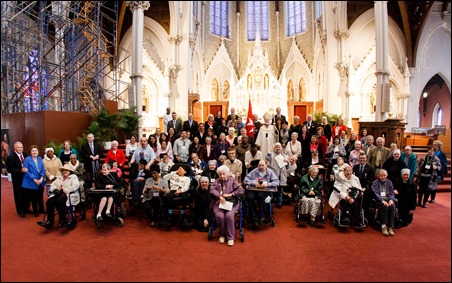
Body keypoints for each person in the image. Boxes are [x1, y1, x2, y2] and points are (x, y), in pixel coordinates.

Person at [38, 163, 80, 228]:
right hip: (58, 194)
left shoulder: (73, 177)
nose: (65, 171)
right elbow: (53, 185)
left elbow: (75, 186)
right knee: (49, 202)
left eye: (67, 170)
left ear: (70, 171)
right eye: (64, 170)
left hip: (68, 195)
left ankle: (62, 220)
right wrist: (54, 190)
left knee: (59, 201)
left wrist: (64, 190)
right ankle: (50, 221)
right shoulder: (59, 177)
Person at [210, 165, 244, 246]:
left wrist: (231, 194)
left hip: (232, 203)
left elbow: (241, 190)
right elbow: (211, 189)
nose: (222, 176)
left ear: (227, 174)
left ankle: (230, 237)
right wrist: (219, 196)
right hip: (219, 203)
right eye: (220, 174)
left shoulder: (232, 180)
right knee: (219, 216)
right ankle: (222, 234)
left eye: (223, 174)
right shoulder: (217, 181)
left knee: (229, 216)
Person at [243, 159, 279, 226]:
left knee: (261, 196)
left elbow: (277, 182)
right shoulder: (254, 171)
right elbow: (245, 180)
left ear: (266, 166)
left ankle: (262, 216)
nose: (261, 167)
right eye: (259, 165)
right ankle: (254, 218)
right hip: (253, 190)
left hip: (264, 190)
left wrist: (268, 184)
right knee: (250, 198)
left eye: (263, 165)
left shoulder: (270, 172)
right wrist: (254, 183)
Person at [22, 145, 46, 217]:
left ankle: (41, 209)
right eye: (33, 151)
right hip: (31, 181)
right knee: (33, 197)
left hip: (40, 181)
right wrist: (35, 180)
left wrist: (41, 178)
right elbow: (26, 172)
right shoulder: (27, 159)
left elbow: (43, 170)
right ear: (30, 152)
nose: (34, 152)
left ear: (38, 152)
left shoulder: (40, 159)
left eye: (36, 150)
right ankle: (35, 211)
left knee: (40, 196)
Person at [371, 169, 397, 236]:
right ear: (378, 176)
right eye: (381, 176)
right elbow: (376, 193)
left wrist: (391, 199)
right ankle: (383, 226)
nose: (383, 177)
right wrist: (382, 200)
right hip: (379, 200)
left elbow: (391, 192)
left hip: (388, 199)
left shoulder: (389, 182)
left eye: (384, 175)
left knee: (392, 206)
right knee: (384, 206)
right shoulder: (375, 183)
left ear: (387, 175)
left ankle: (390, 226)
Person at [6, 141, 27, 217]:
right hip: (17, 179)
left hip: (26, 178)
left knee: (25, 194)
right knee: (18, 195)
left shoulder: (25, 154)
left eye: (21, 147)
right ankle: (20, 211)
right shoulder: (10, 157)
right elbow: (9, 169)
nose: (20, 149)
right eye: (18, 147)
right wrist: (20, 170)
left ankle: (26, 208)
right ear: (15, 148)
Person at [266, 142, 289, 209]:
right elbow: (266, 157)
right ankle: (271, 202)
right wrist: (270, 150)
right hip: (274, 174)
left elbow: (288, 167)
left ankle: (279, 203)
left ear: (281, 148)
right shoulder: (272, 154)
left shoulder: (285, 155)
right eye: (276, 147)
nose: (278, 148)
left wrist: (287, 162)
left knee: (280, 191)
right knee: (272, 190)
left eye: (279, 147)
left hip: (282, 175)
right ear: (275, 148)